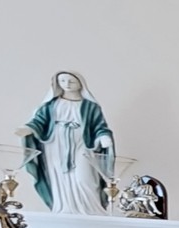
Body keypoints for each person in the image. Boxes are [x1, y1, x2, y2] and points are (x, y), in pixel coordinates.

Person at [16, 71, 114, 213]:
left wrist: (103, 137)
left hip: (82, 145)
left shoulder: (91, 107)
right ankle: (64, 208)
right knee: (60, 179)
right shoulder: (51, 105)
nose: (66, 84)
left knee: (84, 178)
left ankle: (92, 210)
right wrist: (28, 129)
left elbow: (99, 126)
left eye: (71, 81)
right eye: (62, 81)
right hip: (55, 146)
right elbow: (39, 121)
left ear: (80, 83)